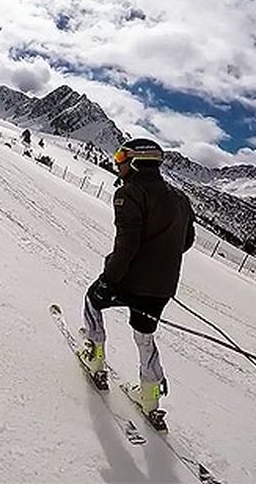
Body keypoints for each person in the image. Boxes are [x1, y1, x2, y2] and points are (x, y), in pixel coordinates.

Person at [80, 138, 195, 415]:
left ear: (136, 160)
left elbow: (127, 244)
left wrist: (109, 279)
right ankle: (150, 397)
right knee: (144, 335)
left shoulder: (130, 192)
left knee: (93, 301)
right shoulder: (180, 198)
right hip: (162, 286)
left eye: (121, 155)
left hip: (129, 278)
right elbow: (187, 241)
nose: (117, 162)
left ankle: (95, 358)